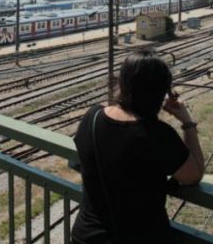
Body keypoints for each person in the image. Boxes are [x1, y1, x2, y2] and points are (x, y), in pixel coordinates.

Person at [72, 49, 204, 244]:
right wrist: (187, 123)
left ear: (121, 83)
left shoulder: (92, 117)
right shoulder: (158, 135)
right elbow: (194, 175)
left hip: (86, 236)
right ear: (160, 93)